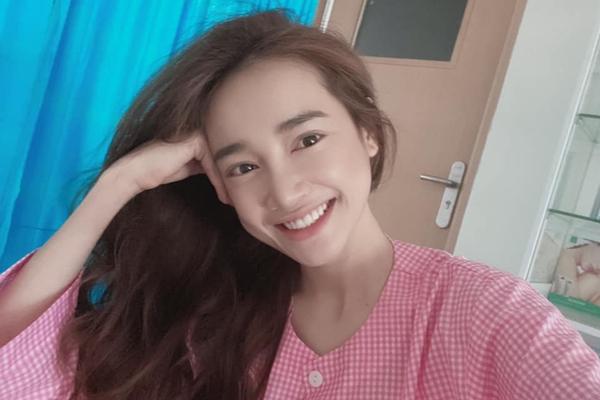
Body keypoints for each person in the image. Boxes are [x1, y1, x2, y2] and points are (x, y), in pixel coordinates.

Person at [1, 9, 599, 400]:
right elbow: (20, 371)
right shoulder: (208, 316)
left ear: (367, 132)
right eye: (243, 166)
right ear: (219, 188)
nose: (284, 192)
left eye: (307, 140)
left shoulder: (485, 312)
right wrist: (118, 186)